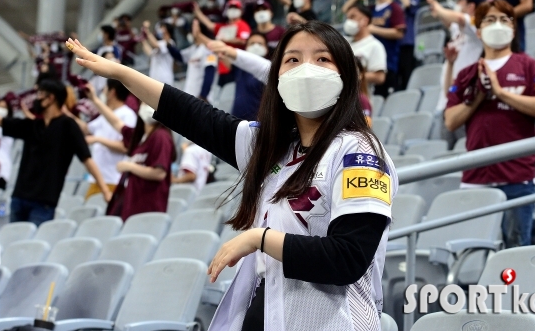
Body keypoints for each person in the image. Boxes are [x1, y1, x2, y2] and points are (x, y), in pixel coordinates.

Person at [66, 19, 396, 331]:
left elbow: (348, 259)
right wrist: (122, 74)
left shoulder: (359, 152)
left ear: (345, 76)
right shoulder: (273, 148)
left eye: (322, 58)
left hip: (335, 320)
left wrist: (259, 238)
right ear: (277, 78)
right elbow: (194, 116)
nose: (307, 70)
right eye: (292, 60)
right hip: (268, 311)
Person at [445, 0, 535, 248]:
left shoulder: (528, 65)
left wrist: (501, 93)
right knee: (472, 254)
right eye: (490, 20)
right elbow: (451, 121)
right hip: (475, 177)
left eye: (505, 20)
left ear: (514, 29)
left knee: (515, 253)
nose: (498, 25)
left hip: (517, 177)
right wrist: (478, 97)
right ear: (479, 31)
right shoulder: (466, 73)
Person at [0, 79, 109, 225]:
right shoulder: (32, 125)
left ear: (51, 98)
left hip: (44, 202)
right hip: (19, 198)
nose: (36, 99)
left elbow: (87, 159)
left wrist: (105, 190)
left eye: (40, 94)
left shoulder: (68, 126)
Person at [87, 92, 175, 220]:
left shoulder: (161, 136)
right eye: (146, 102)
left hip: (147, 210)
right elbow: (117, 123)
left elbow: (159, 173)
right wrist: (95, 99)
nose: (148, 106)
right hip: (131, 207)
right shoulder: (139, 137)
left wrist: (129, 166)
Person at [426, 0, 486, 148]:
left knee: (465, 150)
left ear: (471, 6)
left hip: (462, 103)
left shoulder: (477, 26)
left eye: (461, 0)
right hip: (445, 102)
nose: (457, 3)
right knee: (445, 156)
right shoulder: (459, 30)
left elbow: (459, 18)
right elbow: (449, 20)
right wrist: (438, 11)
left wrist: (439, 8)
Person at [342, 0, 405, 97]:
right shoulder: (371, 9)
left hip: (387, 62)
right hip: (366, 59)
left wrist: (372, 29)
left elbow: (399, 33)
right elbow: (346, 10)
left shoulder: (394, 8)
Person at [73, 79, 137, 199]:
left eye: (105, 88)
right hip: (96, 179)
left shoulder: (127, 115)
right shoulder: (105, 115)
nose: (102, 91)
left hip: (113, 180)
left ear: (112, 92)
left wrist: (98, 139)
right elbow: (86, 129)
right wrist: (66, 114)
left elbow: (126, 146)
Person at [206, 33, 269, 121]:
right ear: (246, 47)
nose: (256, 46)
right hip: (236, 120)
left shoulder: (270, 69)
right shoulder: (239, 68)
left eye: (260, 44)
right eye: (252, 43)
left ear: (266, 47)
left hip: (258, 123)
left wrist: (225, 48)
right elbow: (222, 54)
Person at [194, 0, 251, 86]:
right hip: (222, 67)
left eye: (235, 8)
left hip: (237, 67)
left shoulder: (243, 25)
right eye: (231, 8)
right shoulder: (224, 27)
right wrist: (197, 12)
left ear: (241, 10)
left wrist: (226, 40)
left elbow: (244, 41)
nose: (233, 10)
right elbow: (209, 24)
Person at [342, 5, 387, 93]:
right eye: (347, 18)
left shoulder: (375, 45)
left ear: (365, 20)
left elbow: (380, 77)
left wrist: (353, 77)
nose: (348, 21)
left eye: (352, 16)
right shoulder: (343, 43)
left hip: (360, 99)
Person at [181, 20, 219, 102]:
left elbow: (210, 72)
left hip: (201, 99)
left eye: (195, 27)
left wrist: (203, 96)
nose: (192, 30)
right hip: (189, 96)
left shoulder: (209, 50)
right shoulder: (192, 48)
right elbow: (179, 56)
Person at [396, 0, 421, 89]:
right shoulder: (395, 3)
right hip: (395, 44)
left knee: (407, 75)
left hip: (408, 42)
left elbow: (406, 4)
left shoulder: (415, 0)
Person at [140, 21, 175, 86]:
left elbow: (155, 44)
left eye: (162, 27)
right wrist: (143, 40)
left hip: (165, 80)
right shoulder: (160, 44)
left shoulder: (170, 43)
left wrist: (146, 30)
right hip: (155, 80)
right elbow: (150, 52)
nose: (159, 29)